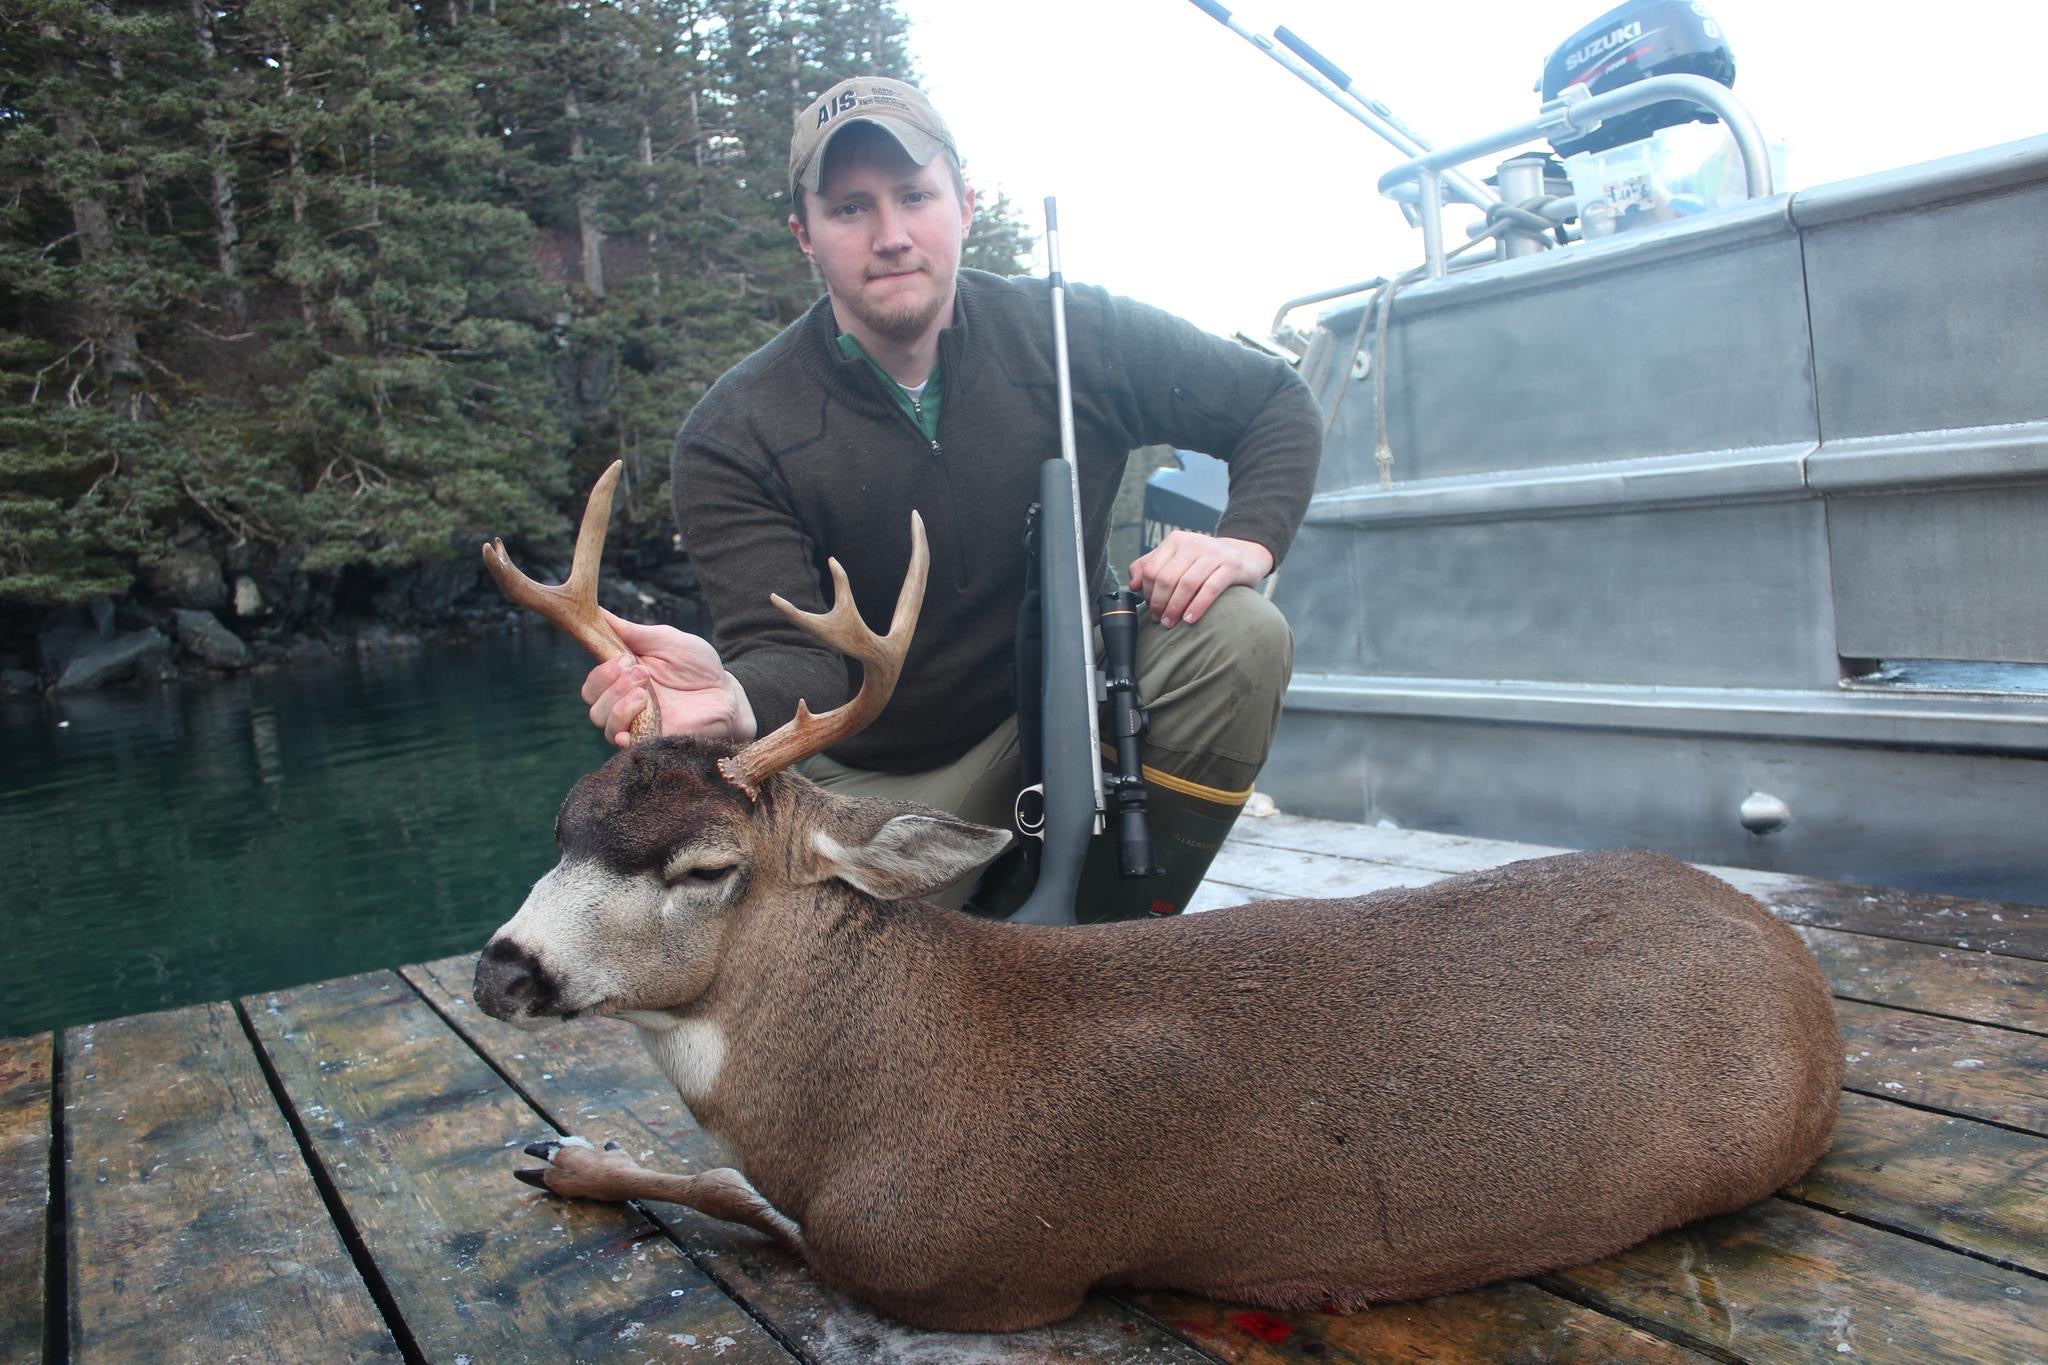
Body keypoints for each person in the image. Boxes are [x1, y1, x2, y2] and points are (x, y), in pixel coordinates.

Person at [580, 76, 1321, 917]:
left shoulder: (1071, 334)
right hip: (870, 781)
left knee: (1240, 635)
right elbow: (800, 659)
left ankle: (1107, 943)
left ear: (964, 205)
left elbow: (1273, 402)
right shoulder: (733, 434)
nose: (892, 235)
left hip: (1066, 718)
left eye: (915, 196)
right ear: (804, 236)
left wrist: (1245, 542)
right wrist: (736, 697)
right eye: (851, 208)